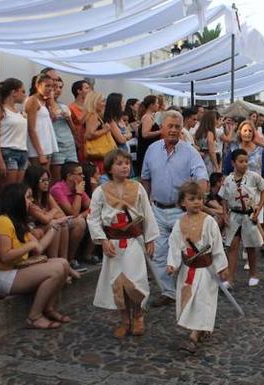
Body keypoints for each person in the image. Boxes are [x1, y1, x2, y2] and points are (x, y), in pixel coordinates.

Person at [87, 149, 158, 337]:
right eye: (119, 163)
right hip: (113, 244)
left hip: (133, 241)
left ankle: (138, 316)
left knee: (134, 281)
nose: (124, 166)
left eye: (126, 163)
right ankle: (125, 320)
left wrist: (150, 238)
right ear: (110, 168)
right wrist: (102, 240)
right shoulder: (100, 192)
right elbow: (93, 219)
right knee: (117, 283)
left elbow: (147, 213)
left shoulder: (138, 188)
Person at [141, 110, 208, 308]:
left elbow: (201, 177)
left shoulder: (190, 151)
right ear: (161, 127)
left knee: (188, 251)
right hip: (158, 210)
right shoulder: (152, 150)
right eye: (169, 126)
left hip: (181, 211)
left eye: (177, 127)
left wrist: (197, 202)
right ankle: (168, 292)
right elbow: (145, 178)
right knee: (160, 253)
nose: (173, 130)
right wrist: (147, 205)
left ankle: (191, 288)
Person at [0, 183, 72, 329]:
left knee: (63, 264)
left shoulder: (19, 223)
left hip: (17, 269)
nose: (31, 201)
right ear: (16, 200)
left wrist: (53, 227)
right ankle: (34, 316)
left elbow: (39, 248)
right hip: (5, 275)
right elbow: (5, 256)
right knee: (56, 270)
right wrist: (29, 246)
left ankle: (49, 308)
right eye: (28, 198)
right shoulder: (2, 221)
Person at [165, 181, 228, 353]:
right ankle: (199, 328)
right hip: (188, 270)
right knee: (189, 301)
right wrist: (172, 263)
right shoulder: (179, 223)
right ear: (183, 202)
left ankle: (193, 336)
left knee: (202, 301)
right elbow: (175, 244)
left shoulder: (209, 222)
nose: (197, 202)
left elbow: (217, 246)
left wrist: (222, 267)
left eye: (200, 198)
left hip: (206, 271)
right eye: (192, 199)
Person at [219, 148, 264, 287]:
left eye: (246, 161)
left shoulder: (254, 177)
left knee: (250, 246)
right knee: (232, 246)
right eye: (241, 161)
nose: (245, 164)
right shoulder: (228, 179)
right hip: (234, 215)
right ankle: (229, 279)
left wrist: (259, 207)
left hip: (249, 215)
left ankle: (253, 274)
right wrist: (225, 213)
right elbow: (224, 198)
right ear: (233, 163)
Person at [24, 165, 85, 271]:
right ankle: (55, 264)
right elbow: (45, 219)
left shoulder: (46, 194)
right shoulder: (28, 196)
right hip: (31, 227)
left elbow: (61, 214)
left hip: (44, 223)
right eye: (42, 180)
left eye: (48, 180)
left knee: (68, 223)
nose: (46, 183)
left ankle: (65, 262)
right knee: (55, 225)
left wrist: (48, 213)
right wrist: (51, 213)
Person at [0, 78, 29, 195]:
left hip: (22, 151)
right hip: (7, 151)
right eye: (22, 91)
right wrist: (0, 160)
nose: (24, 95)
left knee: (17, 190)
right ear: (14, 92)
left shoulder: (18, 111)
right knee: (8, 190)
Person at [25, 73, 58, 172]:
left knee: (46, 177)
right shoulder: (33, 100)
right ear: (38, 85)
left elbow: (54, 116)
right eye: (47, 86)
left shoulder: (44, 101)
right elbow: (31, 128)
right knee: (39, 177)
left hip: (47, 145)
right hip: (38, 149)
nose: (50, 89)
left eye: (52, 86)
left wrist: (50, 100)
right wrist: (40, 153)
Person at [49, 78, 78, 182]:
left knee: (75, 176)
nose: (58, 90)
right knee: (57, 179)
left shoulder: (64, 106)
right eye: (55, 87)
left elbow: (74, 130)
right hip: (57, 146)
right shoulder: (45, 106)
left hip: (69, 145)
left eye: (60, 87)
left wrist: (69, 119)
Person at [84, 92, 116, 173]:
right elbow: (89, 134)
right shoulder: (93, 116)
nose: (105, 104)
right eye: (102, 101)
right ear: (94, 102)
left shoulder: (92, 115)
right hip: (97, 154)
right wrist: (105, 130)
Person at [135, 95, 160, 176]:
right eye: (157, 103)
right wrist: (160, 131)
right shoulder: (147, 117)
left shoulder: (149, 117)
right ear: (151, 105)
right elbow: (145, 134)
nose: (158, 105)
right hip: (146, 149)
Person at [69, 80, 92, 163]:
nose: (90, 91)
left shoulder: (90, 107)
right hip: (80, 143)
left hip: (91, 141)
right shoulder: (71, 107)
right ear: (79, 91)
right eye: (87, 88)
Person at [194, 110, 219, 174]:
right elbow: (212, 151)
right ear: (211, 120)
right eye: (216, 119)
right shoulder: (210, 133)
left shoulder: (199, 132)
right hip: (208, 160)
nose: (217, 121)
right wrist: (216, 166)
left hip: (200, 159)